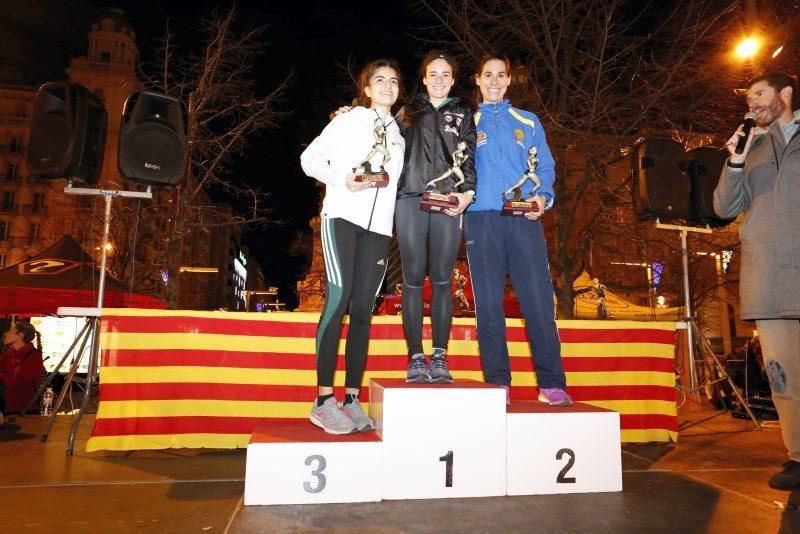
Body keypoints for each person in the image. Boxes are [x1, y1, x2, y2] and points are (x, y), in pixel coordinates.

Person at [300, 59, 405, 434]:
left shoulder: (398, 135)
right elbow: (309, 159)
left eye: (394, 81)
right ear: (366, 88)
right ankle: (323, 400)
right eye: (380, 80)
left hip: (378, 230)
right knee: (339, 298)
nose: (388, 86)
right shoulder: (347, 120)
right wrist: (342, 179)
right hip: (342, 217)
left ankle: (351, 399)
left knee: (363, 311)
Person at [466, 55, 571, 406]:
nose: (494, 81)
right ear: (477, 80)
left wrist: (543, 198)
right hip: (481, 219)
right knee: (489, 305)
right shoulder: (468, 122)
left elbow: (546, 165)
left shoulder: (527, 121)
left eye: (500, 75)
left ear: (509, 80)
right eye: (487, 75)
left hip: (523, 219)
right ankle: (499, 385)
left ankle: (552, 384)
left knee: (538, 302)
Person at [713, 72, 800, 490]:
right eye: (748, 98)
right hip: (768, 276)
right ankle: (799, 456)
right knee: (784, 373)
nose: (752, 103)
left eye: (760, 94)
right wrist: (734, 160)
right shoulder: (753, 149)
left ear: (785, 93)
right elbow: (724, 207)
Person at [394, 51, 476, 384]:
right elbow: (375, 131)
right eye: (433, 74)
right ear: (424, 78)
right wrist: (348, 112)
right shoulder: (407, 112)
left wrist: (467, 192)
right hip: (410, 198)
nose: (439, 80)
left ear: (453, 80)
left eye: (446, 74)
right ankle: (415, 356)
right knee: (412, 277)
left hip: (447, 201)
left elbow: (470, 156)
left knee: (443, 277)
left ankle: (439, 356)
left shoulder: (464, 113)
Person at [1, 321, 44, 421]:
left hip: (25, 410)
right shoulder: (9, 353)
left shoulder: (33, 356)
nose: (5, 334)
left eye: (10, 331)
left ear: (20, 336)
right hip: (7, 407)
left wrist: (2, 376)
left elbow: (17, 383)